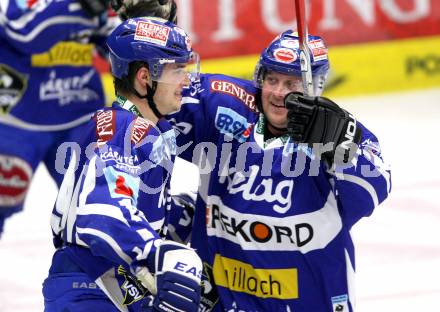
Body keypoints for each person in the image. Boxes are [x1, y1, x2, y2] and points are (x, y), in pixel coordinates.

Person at [165, 30, 392, 311]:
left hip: (310, 299)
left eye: (291, 83)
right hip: (225, 299)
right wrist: (164, 39)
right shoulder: (223, 107)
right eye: (272, 79)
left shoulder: (338, 132)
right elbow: (157, 99)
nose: (278, 93)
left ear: (315, 86)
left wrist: (339, 147)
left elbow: (375, 187)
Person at [42, 17, 202, 312]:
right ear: (145, 78)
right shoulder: (124, 127)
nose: (186, 80)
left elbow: (131, 205)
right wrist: (157, 252)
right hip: (89, 286)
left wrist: (188, 214)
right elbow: (103, 211)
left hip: (103, 281)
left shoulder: (143, 128)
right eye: (177, 70)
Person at [0, 0, 176, 237]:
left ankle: (127, 265)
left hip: (79, 113)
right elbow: (25, 34)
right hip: (16, 120)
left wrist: (141, 26)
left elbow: (116, 52)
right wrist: (83, 5)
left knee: (105, 199)